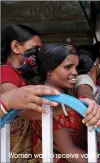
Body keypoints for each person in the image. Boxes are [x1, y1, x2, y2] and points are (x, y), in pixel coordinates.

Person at [1, 24, 43, 162]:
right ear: (15, 47)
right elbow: (22, 111)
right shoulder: (6, 72)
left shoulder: (23, 75)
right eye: (35, 49)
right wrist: (66, 109)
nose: (38, 54)